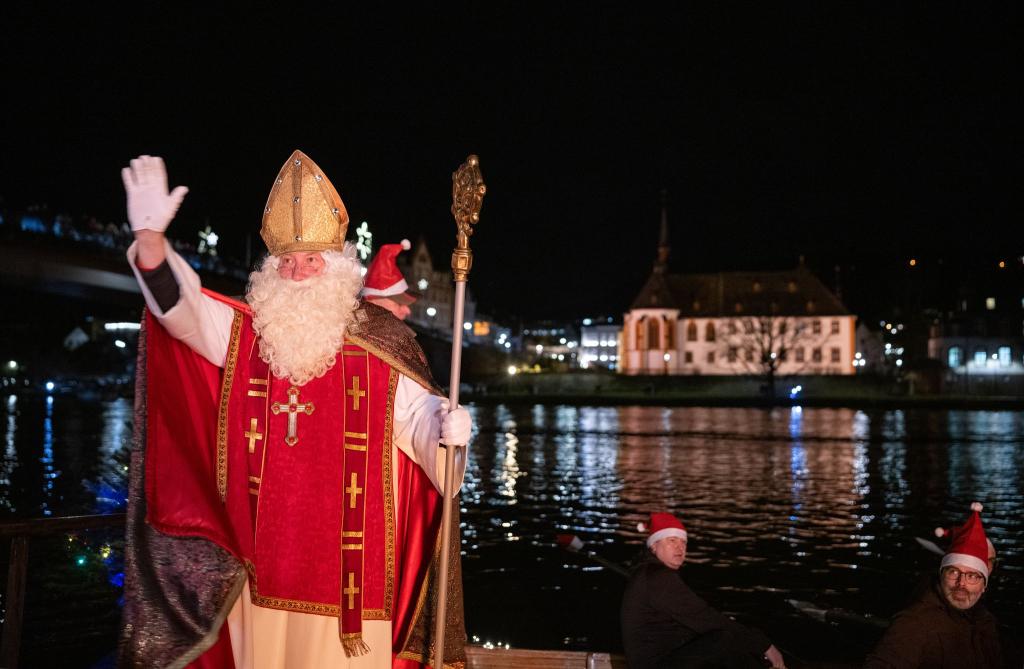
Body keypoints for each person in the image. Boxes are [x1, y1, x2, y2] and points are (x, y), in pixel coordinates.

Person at [117, 152, 471, 669]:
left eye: (311, 261)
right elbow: (183, 312)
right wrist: (150, 243)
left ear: (338, 270)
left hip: (350, 578)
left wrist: (446, 428)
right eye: (286, 261)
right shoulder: (248, 335)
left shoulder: (380, 342)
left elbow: (417, 421)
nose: (297, 272)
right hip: (260, 571)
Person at [621, 512, 786, 669]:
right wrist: (764, 645)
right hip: (656, 664)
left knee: (725, 635)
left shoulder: (648, 573)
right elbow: (705, 617)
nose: (680, 548)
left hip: (661, 657)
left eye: (683, 542)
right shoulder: (658, 577)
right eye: (672, 540)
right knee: (724, 639)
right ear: (654, 546)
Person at [864, 502, 1007, 669]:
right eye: (953, 572)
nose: (961, 583)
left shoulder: (986, 622)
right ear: (941, 576)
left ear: (984, 585)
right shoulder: (915, 623)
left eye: (972, 576)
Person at [361, 239, 418, 321]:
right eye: (399, 304)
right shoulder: (347, 330)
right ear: (374, 302)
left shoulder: (359, 328)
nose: (408, 311)